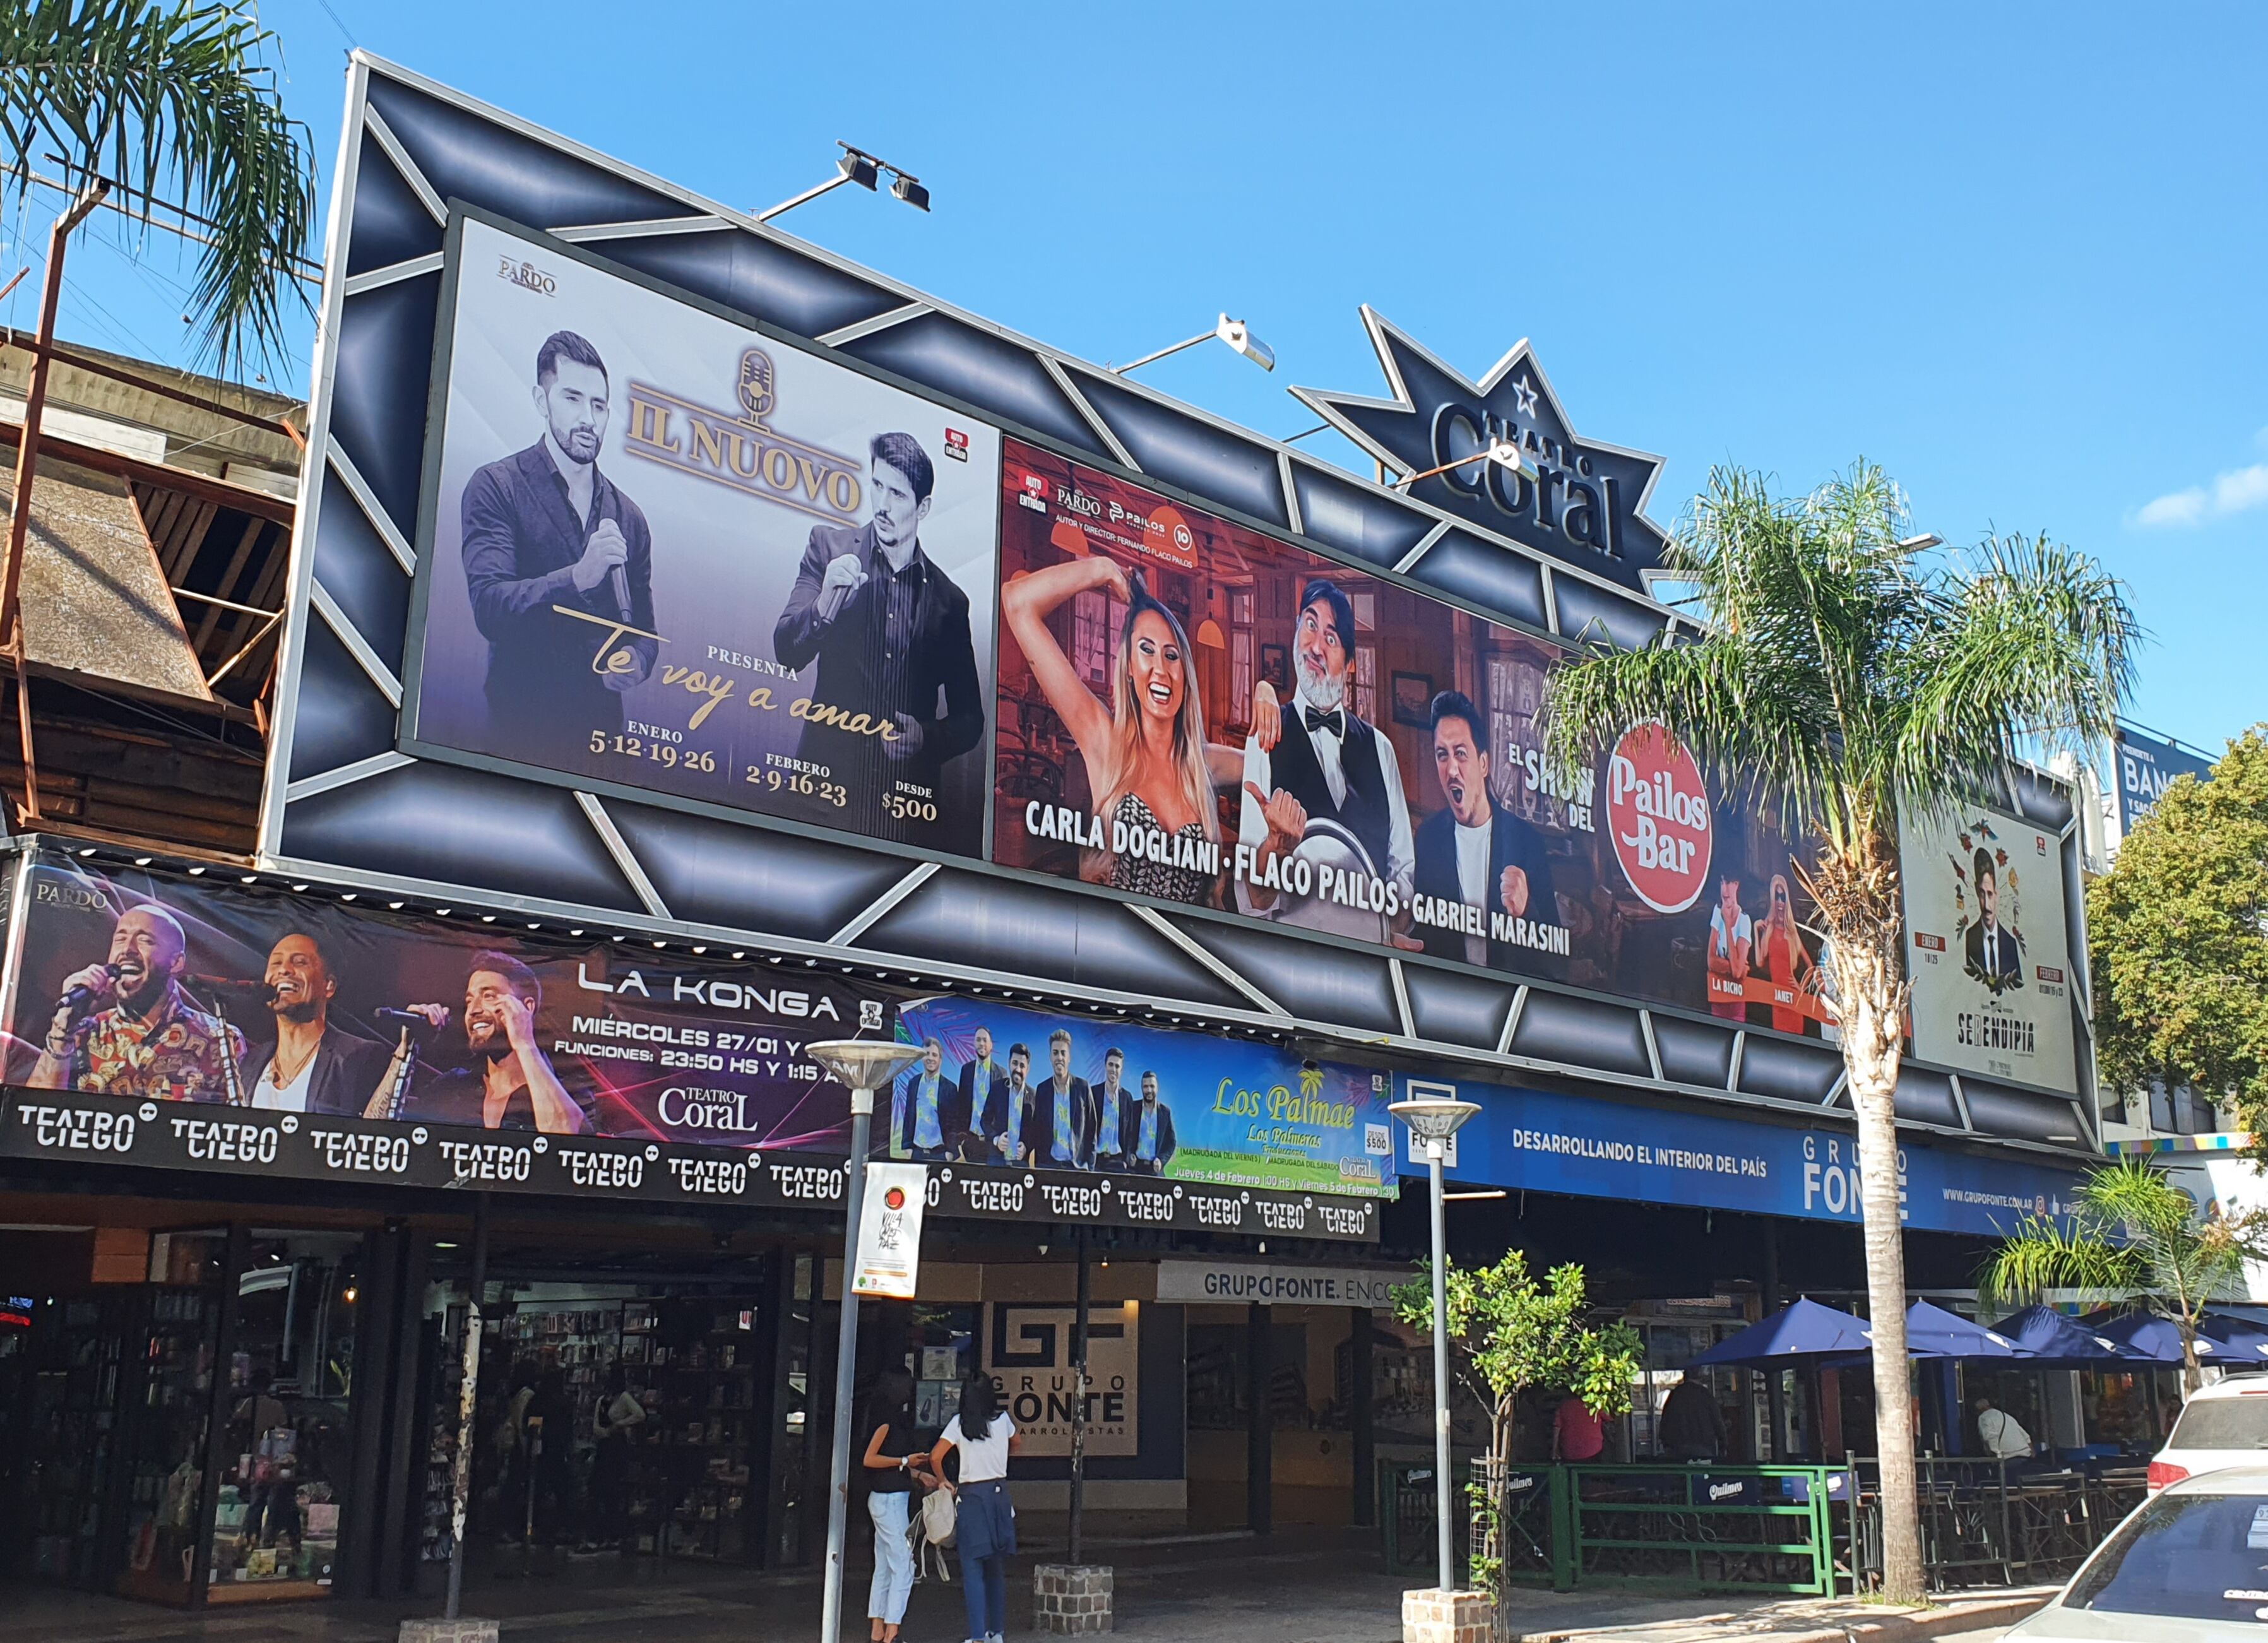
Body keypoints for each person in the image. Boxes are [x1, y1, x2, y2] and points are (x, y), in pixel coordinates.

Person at [1000, 555, 1271, 906]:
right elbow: (1017, 603)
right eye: (1147, 651)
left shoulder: (1205, 763)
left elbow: (1285, 768)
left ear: (1185, 674)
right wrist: (1101, 569)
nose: (1160, 669)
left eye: (1172, 656)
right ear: (1128, 666)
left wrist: (1265, 693)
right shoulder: (1105, 741)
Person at [459, 330, 657, 761]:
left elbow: (645, 632)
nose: (588, 417)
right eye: (572, 398)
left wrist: (635, 660)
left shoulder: (630, 517)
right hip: (516, 743)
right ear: (540, 399)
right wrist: (577, 578)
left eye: (599, 405)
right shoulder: (498, 486)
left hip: (602, 747)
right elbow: (490, 607)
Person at [772, 432, 984, 821]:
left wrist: (925, 737)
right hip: (819, 792)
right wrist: (824, 604)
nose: (882, 506)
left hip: (903, 811)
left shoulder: (950, 603)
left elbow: (970, 721)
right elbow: (786, 650)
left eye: (898, 495)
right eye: (877, 486)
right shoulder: (828, 549)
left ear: (923, 508)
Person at [1237, 578, 1415, 932]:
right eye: (1310, 625)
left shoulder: (1382, 750)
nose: (1316, 646)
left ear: (1350, 663)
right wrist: (1274, 846)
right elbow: (1250, 902)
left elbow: (1403, 870)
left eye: (1331, 639)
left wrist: (1388, 932)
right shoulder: (1265, 738)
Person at [30, 903, 245, 1101]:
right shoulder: (82, 1034)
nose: (127, 950)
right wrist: (62, 1029)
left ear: (176, 962)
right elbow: (35, 1113)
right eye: (120, 939)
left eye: (145, 940)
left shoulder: (221, 1039)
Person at [1411, 691, 1559, 973]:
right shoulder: (1429, 839)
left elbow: (1557, 962)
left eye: (1461, 754)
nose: (1451, 769)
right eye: (1442, 755)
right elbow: (1428, 933)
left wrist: (1526, 912)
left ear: (1484, 764)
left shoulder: (1527, 843)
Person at [374, 952, 590, 1134]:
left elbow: (567, 1141)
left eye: (489, 996)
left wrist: (525, 1044)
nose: (474, 1009)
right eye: (469, 1000)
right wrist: (407, 1049)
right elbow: (377, 1136)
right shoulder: (451, 1088)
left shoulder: (570, 1090)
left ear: (528, 1007)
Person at [238, 932, 394, 1115]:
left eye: (299, 962)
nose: (284, 970)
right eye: (276, 963)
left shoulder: (357, 1057)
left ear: (329, 985)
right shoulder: (250, 1064)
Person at [930, 1372, 1022, 1643]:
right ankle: (997, 1634)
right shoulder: (1003, 1420)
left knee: (972, 1571)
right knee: (996, 1569)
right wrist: (1001, 1459)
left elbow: (936, 1456)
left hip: (972, 1497)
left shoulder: (959, 1424)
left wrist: (944, 1481)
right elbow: (1017, 1443)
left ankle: (977, 1637)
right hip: (999, 1495)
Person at [862, 1370, 929, 1643]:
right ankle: (892, 1632)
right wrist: (905, 1461)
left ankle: (878, 1630)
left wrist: (919, 1474)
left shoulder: (879, 1416)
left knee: (884, 1566)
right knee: (904, 1565)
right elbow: (870, 1459)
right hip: (890, 1501)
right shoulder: (887, 1421)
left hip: (884, 1498)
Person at [585, 1366, 644, 1553]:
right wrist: (610, 1430)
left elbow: (640, 1415)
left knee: (610, 1492)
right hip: (607, 1447)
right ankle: (603, 1533)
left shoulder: (623, 1398)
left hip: (615, 1449)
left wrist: (620, 1424)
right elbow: (597, 1427)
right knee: (600, 1490)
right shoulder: (604, 1401)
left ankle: (610, 1534)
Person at [1021, 1028, 1093, 1171]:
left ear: (1069, 1058)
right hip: (1049, 1167)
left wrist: (1090, 1167)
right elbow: (1037, 1130)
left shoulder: (1083, 1087)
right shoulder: (1042, 1090)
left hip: (1076, 1169)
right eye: (1055, 1053)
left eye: (1063, 1053)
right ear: (1050, 1057)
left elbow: (1092, 1129)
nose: (1059, 1057)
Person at [1755, 874, 1817, 1035]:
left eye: (1783, 897)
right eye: (1777, 897)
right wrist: (1756, 931)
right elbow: (1760, 962)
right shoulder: (1768, 929)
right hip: (1777, 998)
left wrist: (1801, 988)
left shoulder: (1792, 933)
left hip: (1793, 998)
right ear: (1772, 899)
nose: (1780, 902)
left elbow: (1811, 966)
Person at [1964, 849, 2022, 989]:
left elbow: (2020, 988)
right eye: (1982, 894)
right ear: (1976, 892)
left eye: (1990, 894)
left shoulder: (2010, 943)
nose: (1986, 906)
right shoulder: (1970, 937)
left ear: (1997, 894)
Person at [893, 1038, 952, 1163]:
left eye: (935, 1055)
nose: (930, 1058)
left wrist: (950, 1154)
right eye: (927, 1054)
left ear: (940, 1060)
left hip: (940, 1154)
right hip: (917, 1153)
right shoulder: (914, 1083)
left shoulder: (949, 1088)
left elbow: (954, 1123)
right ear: (922, 1058)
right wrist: (908, 1148)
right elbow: (909, 1116)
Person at [954, 1027, 1007, 1160]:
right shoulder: (966, 1070)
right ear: (974, 1043)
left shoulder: (1001, 1074)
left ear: (991, 1045)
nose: (981, 1043)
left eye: (985, 1040)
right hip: (971, 1142)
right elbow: (961, 1105)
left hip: (992, 1144)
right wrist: (961, 1140)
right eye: (978, 1040)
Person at [1706, 874, 1752, 1022]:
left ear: (1736, 885)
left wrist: (1727, 923)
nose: (1724, 889)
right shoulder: (1717, 911)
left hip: (1737, 1003)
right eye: (1722, 883)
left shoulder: (1744, 920)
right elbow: (1711, 961)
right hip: (1717, 997)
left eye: (1728, 883)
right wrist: (1735, 967)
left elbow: (1737, 973)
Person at [985, 1043, 1036, 1166]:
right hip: (996, 1162)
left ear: (1028, 1069)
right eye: (1015, 1063)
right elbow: (984, 1120)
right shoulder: (997, 1088)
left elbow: (1037, 1132)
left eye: (1022, 1065)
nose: (1018, 1069)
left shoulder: (1034, 1096)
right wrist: (996, 1140)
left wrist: (1026, 1147)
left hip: (1021, 1164)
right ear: (1009, 1063)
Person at [1121, 1070, 1178, 1175]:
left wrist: (1161, 1160)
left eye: (1152, 1086)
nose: (1149, 1090)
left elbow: (1171, 1142)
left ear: (1158, 1088)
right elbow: (1125, 1136)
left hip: (1155, 1171)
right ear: (1142, 1088)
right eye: (1145, 1087)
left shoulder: (1165, 1112)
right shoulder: (1133, 1108)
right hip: (1134, 1169)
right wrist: (1129, 1155)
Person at [1658, 1375, 1726, 1462]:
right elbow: (1717, 1421)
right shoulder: (1705, 1394)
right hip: (1704, 1446)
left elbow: (1665, 1423)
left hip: (1678, 1448)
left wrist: (1667, 1445)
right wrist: (1723, 1444)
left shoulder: (1676, 1394)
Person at [1089, 1048, 1132, 1172]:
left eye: (1117, 1066)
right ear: (1105, 1066)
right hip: (1096, 1160)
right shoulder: (1094, 1093)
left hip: (1118, 1162)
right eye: (1111, 1065)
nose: (1114, 1069)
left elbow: (1130, 1132)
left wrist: (1126, 1159)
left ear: (1121, 1070)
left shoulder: (1127, 1098)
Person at [1974, 1394, 2034, 1463]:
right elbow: (2026, 1436)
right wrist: (2033, 1455)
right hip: (2026, 1457)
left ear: (1979, 1410)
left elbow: (1989, 1438)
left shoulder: (1984, 1418)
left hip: (2008, 1459)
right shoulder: (2007, 1416)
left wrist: (1995, 1455)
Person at [1553, 1393, 1606, 1463]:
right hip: (1593, 1450)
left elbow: (1557, 1428)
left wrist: (1554, 1451)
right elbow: (1610, 1417)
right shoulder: (1595, 1405)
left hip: (1569, 1452)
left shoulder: (1564, 1406)